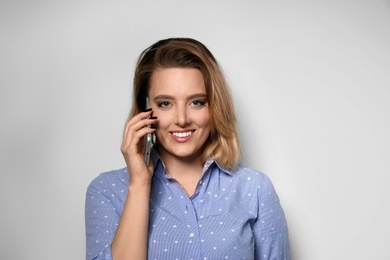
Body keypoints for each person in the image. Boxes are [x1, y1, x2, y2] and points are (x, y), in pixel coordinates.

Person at [85, 37, 289, 260]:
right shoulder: (106, 192)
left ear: (215, 107)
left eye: (196, 102)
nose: (181, 119)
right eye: (165, 103)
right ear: (145, 110)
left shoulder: (255, 189)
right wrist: (140, 184)